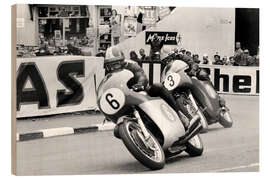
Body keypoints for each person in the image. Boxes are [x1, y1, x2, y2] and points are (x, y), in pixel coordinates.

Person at [104, 46, 190, 136]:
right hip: (126, 101)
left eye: (115, 64)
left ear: (121, 61)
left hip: (141, 92)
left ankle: (180, 114)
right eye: (110, 65)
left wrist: (140, 84)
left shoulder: (130, 64)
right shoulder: (109, 75)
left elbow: (141, 75)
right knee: (117, 131)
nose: (113, 67)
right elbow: (109, 88)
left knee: (158, 87)